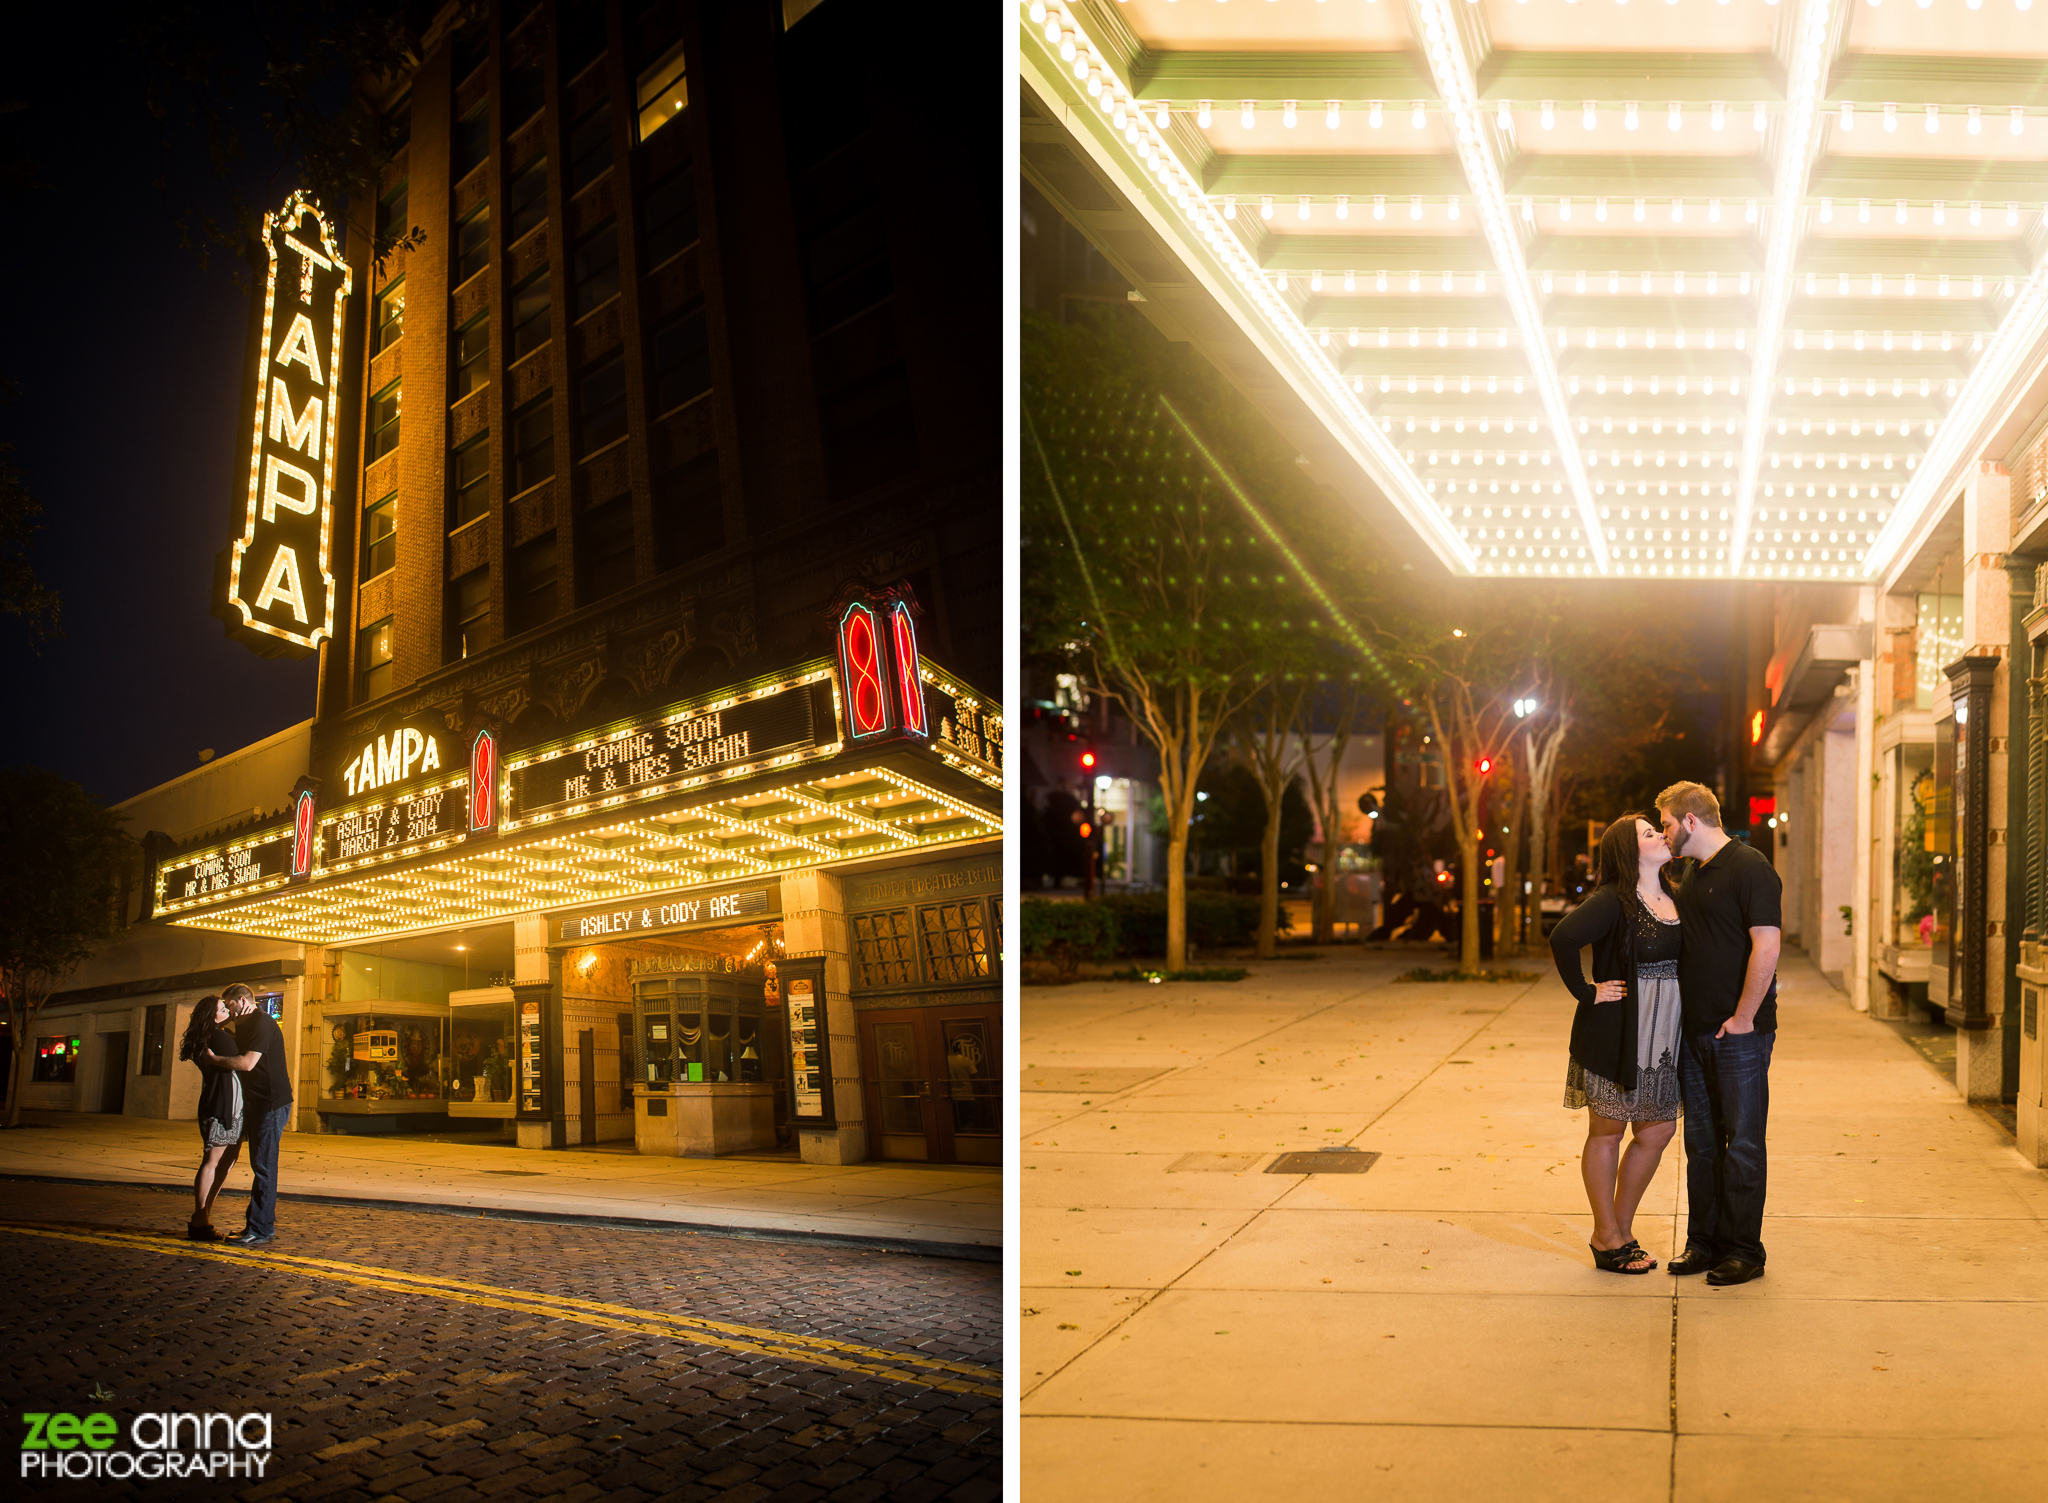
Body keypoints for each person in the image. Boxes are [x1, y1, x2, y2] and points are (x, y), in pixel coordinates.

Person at [1657, 781, 1783, 1287]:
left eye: (1666, 824)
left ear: (1690, 821)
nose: (1664, 834)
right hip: (1695, 1034)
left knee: (1745, 1143)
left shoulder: (1751, 868)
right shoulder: (1693, 874)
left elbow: (1767, 947)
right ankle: (1704, 1243)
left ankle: (1744, 1250)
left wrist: (1745, 1017)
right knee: (1702, 1144)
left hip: (1740, 1035)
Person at [1548, 813, 1684, 1273]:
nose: (1661, 836)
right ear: (1631, 851)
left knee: (1658, 1129)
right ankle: (1607, 1235)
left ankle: (1621, 1229)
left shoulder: (1674, 896)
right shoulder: (1612, 901)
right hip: (1617, 1033)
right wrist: (1588, 992)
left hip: (1664, 1037)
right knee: (1608, 1130)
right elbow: (1563, 937)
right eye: (1650, 833)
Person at [204, 983, 295, 1247]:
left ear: (242, 1001)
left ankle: (260, 1229)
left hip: (271, 1104)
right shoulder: (242, 1025)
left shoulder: (262, 1024)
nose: (227, 1010)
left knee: (264, 1167)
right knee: (261, 1165)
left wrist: (214, 1060)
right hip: (257, 1103)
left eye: (228, 1004)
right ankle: (258, 1226)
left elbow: (246, 1063)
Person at [176, 995, 239, 1241]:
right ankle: (200, 1219)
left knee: (226, 1159)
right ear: (212, 1015)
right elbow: (244, 1060)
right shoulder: (218, 1037)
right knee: (213, 1161)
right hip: (222, 1105)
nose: (227, 1011)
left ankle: (204, 1215)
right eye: (223, 1009)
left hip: (227, 1104)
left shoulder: (211, 1036)